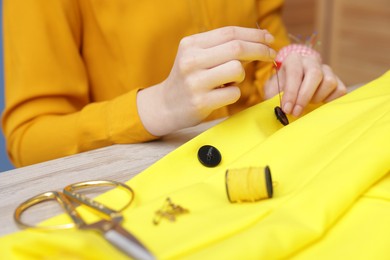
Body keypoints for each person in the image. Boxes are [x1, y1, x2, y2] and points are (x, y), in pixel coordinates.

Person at [2, 0, 346, 167]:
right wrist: (158, 107)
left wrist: (284, 76)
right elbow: (29, 138)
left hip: (266, 159)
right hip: (139, 189)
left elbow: (266, 30)